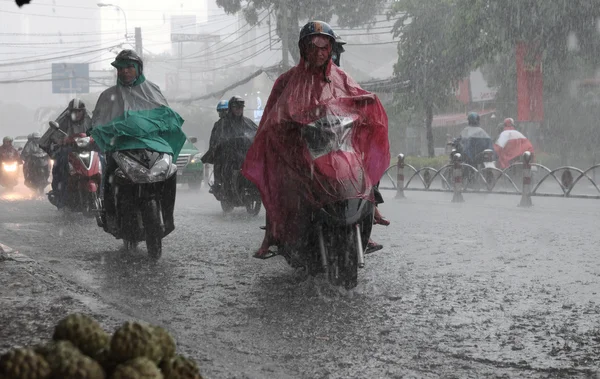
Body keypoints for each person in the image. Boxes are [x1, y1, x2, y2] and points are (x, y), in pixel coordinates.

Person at [242, 21, 390, 258]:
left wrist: (367, 101)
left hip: (337, 142)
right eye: (314, 46)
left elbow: (355, 96)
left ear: (330, 49)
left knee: (361, 168)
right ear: (304, 49)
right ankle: (271, 234)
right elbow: (271, 117)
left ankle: (369, 214)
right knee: (280, 180)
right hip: (301, 147)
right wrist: (287, 126)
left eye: (324, 47)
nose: (320, 52)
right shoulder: (286, 81)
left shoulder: (341, 77)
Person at [89, 49, 186, 232]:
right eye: (121, 68)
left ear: (138, 69)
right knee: (110, 174)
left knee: (170, 172)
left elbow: (165, 115)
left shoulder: (153, 91)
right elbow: (98, 121)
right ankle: (111, 216)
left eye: (129, 67)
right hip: (120, 146)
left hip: (153, 145)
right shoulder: (108, 96)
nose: (125, 71)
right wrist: (97, 131)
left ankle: (167, 217)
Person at [201, 96, 258, 198]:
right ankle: (222, 187)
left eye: (241, 107)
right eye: (236, 107)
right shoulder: (222, 123)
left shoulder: (247, 122)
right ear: (231, 108)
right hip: (228, 156)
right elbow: (216, 139)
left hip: (244, 155)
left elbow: (256, 132)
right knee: (223, 166)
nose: (239, 110)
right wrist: (224, 144)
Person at [47, 98, 92, 208]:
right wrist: (62, 140)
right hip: (69, 150)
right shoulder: (64, 120)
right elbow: (55, 135)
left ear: (83, 111)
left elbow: (98, 131)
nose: (76, 114)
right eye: (73, 111)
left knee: (103, 161)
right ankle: (59, 194)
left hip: (88, 149)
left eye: (79, 111)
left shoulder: (91, 119)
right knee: (59, 165)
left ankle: (104, 194)